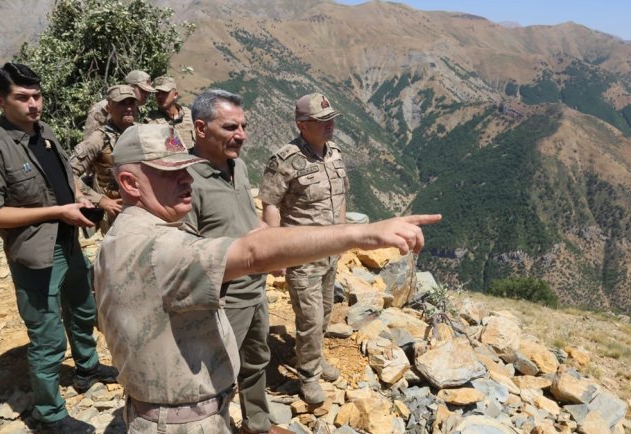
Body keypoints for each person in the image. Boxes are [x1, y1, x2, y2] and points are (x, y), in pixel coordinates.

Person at [95, 123, 439, 433]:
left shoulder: (120, 237)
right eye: (169, 173)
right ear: (129, 183)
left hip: (169, 412)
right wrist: (362, 234)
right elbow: (252, 253)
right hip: (182, 424)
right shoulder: (159, 248)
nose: (187, 179)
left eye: (186, 168)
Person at [0, 63, 118, 434]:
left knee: (82, 310)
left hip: (69, 242)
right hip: (35, 253)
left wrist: (79, 200)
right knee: (46, 336)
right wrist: (58, 210)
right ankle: (49, 414)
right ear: (0, 101)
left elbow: (66, 181)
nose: (33, 104)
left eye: (37, 96)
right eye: (22, 98)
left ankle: (87, 368)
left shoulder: (45, 134)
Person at [184, 89, 288, 434]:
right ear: (201, 129)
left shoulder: (239, 167)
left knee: (256, 359)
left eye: (243, 126)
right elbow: (184, 252)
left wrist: (271, 244)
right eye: (230, 127)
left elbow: (246, 218)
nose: (241, 135)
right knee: (217, 373)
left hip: (255, 288)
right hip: (222, 297)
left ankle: (257, 425)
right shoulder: (185, 180)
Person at [259, 92, 348, 404]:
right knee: (309, 317)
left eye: (331, 119)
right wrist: (275, 250)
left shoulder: (334, 153)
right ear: (301, 125)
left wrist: (342, 235)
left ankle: (314, 356)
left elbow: (340, 196)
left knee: (324, 313)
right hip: (301, 254)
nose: (330, 125)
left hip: (329, 250)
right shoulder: (285, 160)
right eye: (321, 121)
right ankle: (308, 376)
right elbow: (271, 205)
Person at [69, 84, 137, 232]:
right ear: (108, 108)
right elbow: (67, 173)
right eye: (121, 103)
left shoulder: (143, 132)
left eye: (131, 102)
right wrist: (101, 201)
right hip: (117, 215)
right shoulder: (98, 139)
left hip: (143, 210)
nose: (128, 108)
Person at [82, 69, 154, 139]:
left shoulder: (136, 108)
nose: (147, 94)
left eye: (148, 91)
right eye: (143, 90)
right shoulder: (103, 107)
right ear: (130, 87)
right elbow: (89, 141)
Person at [145, 75, 195, 149]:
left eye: (164, 92)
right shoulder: (151, 121)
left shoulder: (189, 115)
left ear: (175, 95)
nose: (160, 96)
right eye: (157, 93)